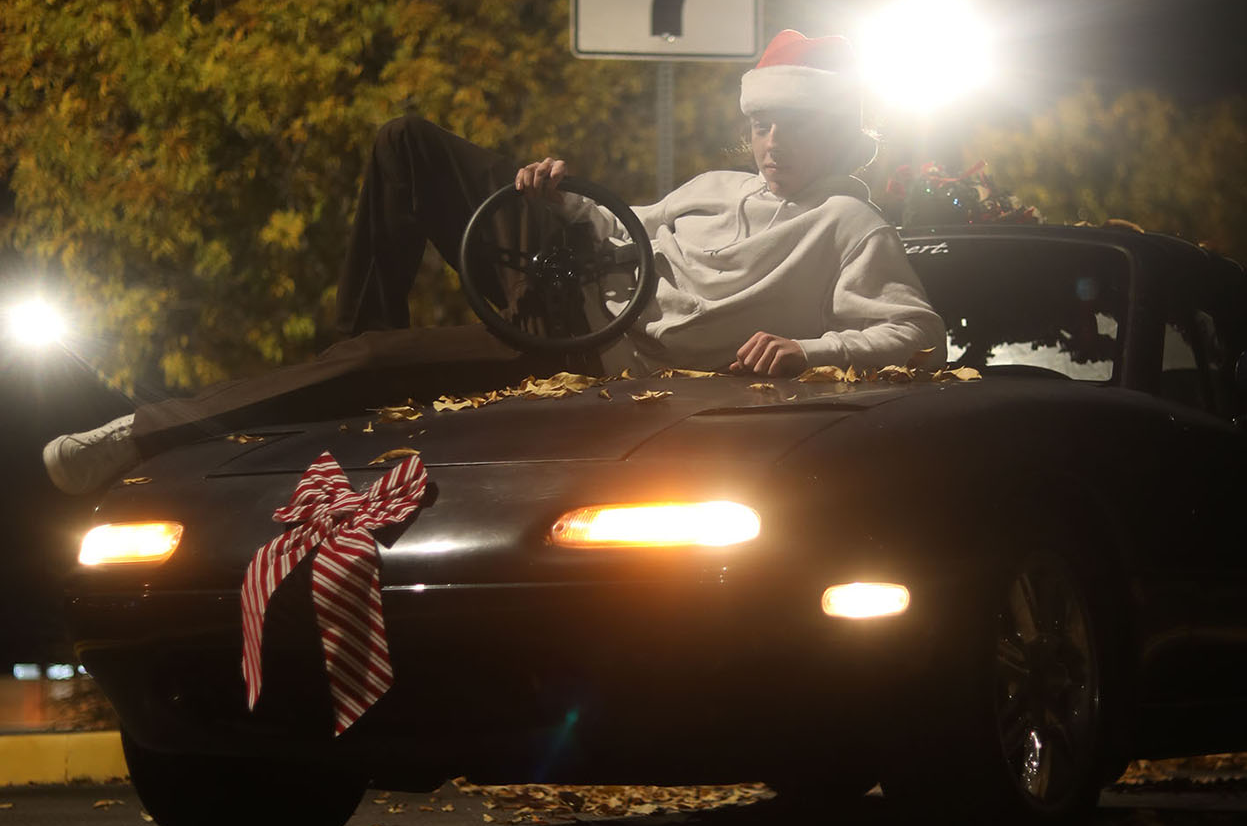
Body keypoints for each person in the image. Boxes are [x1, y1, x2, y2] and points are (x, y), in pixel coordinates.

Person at [43, 30, 945, 493]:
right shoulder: (713, 183)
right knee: (406, 142)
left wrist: (808, 350)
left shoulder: (846, 221)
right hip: (574, 266)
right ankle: (367, 364)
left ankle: (135, 434)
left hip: (594, 350)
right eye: (760, 122)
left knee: (361, 367)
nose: (770, 140)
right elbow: (625, 222)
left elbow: (918, 334)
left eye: (790, 124)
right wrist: (557, 195)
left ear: (834, 129)